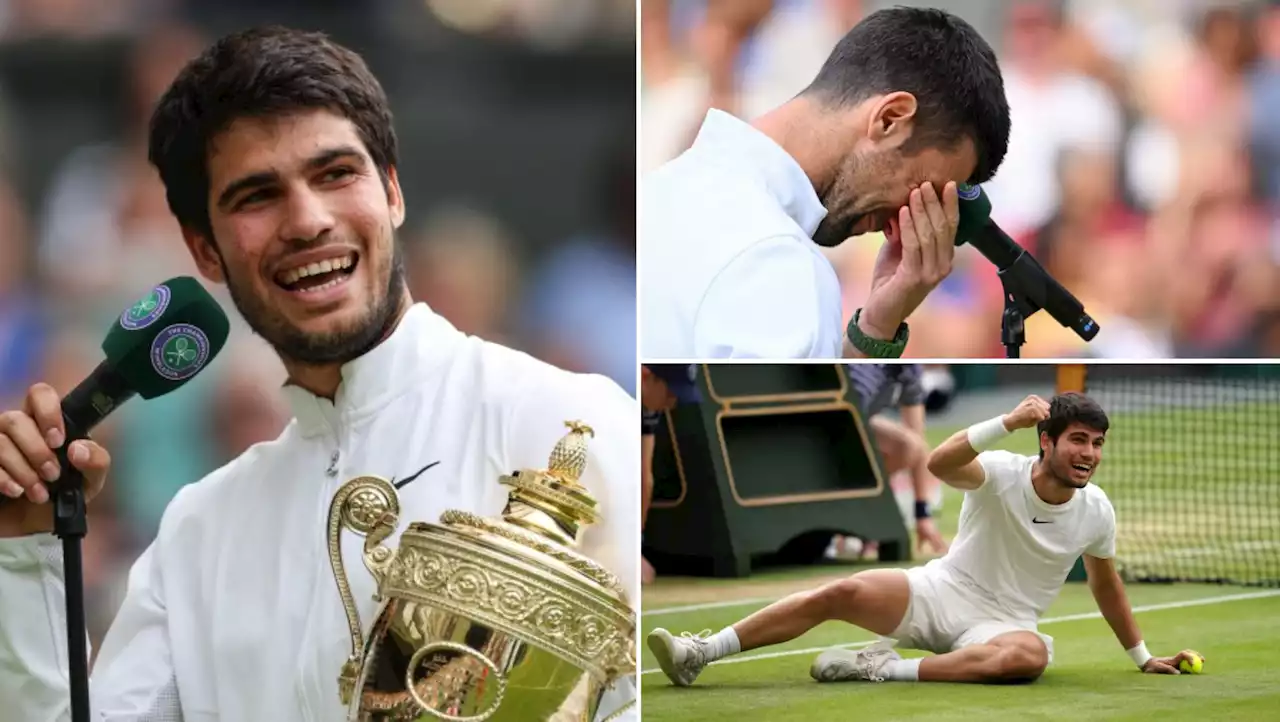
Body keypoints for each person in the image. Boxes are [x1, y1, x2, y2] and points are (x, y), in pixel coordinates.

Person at [0, 27, 637, 721]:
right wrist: (23, 556)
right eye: (256, 196)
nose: (307, 221)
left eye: (336, 174)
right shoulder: (198, 532)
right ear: (204, 252)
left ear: (392, 191)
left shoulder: (567, 422)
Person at [648, 393, 1201, 686]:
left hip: (1002, 624)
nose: (1089, 454)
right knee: (839, 592)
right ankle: (703, 651)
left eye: (1097, 444)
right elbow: (938, 462)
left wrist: (1143, 656)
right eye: (1078, 440)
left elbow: (1107, 586)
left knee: (1027, 659)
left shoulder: (1097, 510)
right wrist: (1005, 422)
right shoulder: (1004, 470)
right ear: (1046, 441)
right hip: (938, 590)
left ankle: (880, 669)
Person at [641, 6, 1011, 360]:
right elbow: (797, 423)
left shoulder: (660, 193)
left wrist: (877, 325)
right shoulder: (780, 259)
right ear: (889, 119)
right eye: (922, 189)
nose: (903, 219)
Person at [827, 363, 947, 561]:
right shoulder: (859, 366)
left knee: (908, 446)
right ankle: (841, 520)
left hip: (855, 429)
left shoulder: (909, 368)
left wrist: (923, 515)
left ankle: (857, 516)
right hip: (821, 431)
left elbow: (918, 440)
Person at [639, 364, 699, 585]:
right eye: (671, 391)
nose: (673, 401)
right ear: (646, 376)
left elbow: (644, 478)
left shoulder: (648, 408)